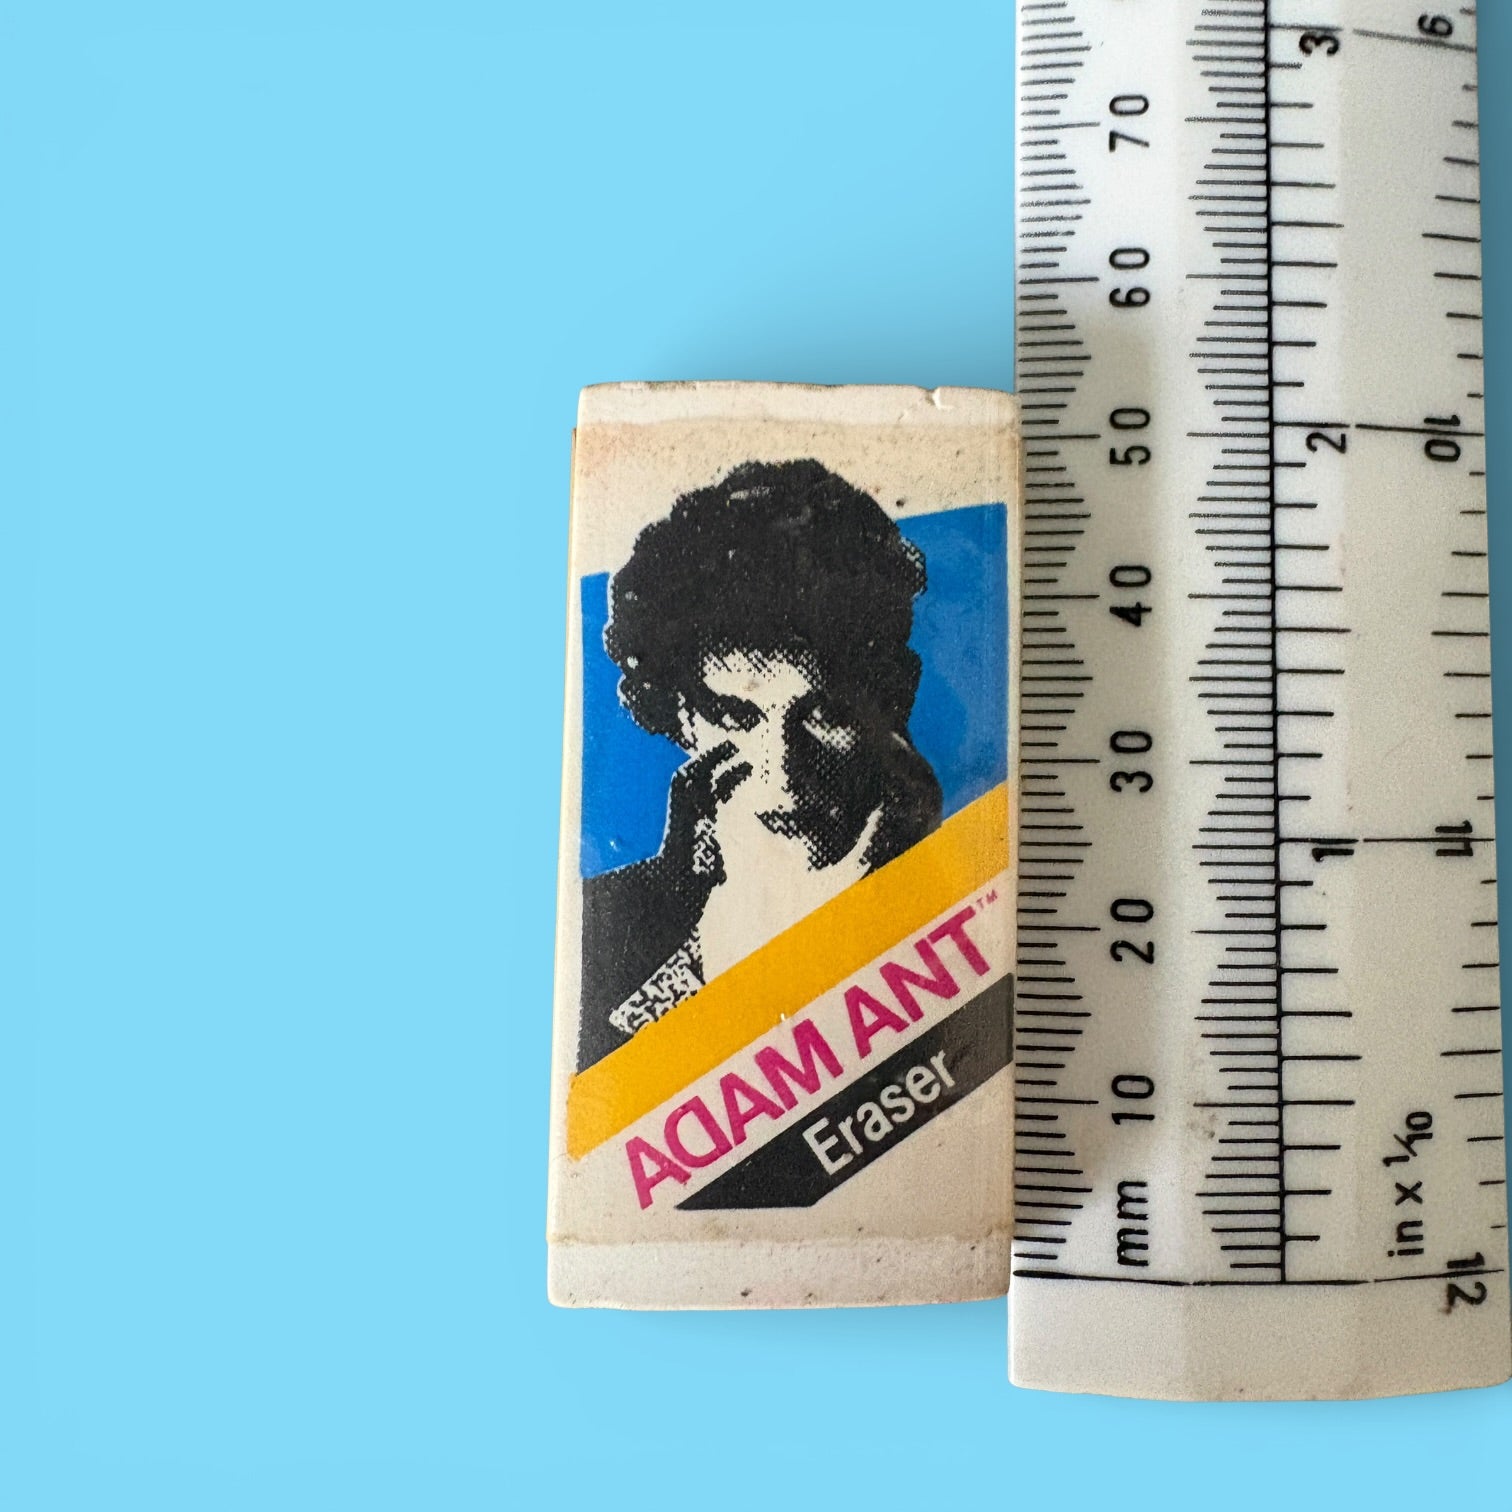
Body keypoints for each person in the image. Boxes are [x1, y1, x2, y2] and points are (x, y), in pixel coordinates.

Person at [577, 459, 941, 1070]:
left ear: (889, 704)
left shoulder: (959, 892)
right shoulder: (610, 925)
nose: (784, 770)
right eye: (735, 715)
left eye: (825, 715)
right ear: (682, 718)